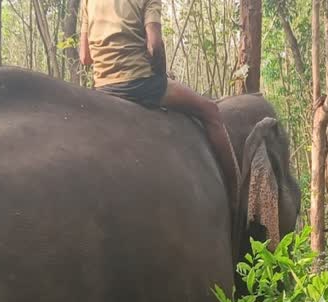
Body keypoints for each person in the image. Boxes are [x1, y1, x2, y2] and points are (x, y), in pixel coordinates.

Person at [79, 0, 239, 209]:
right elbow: (155, 45)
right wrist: (160, 74)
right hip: (140, 83)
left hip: (103, 87)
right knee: (211, 111)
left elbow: (85, 57)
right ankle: (236, 192)